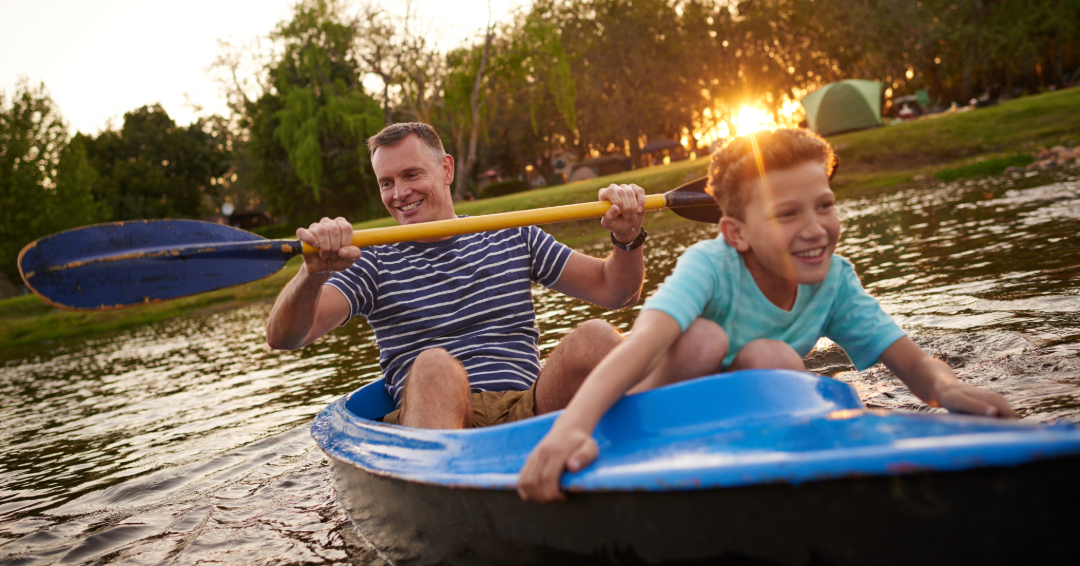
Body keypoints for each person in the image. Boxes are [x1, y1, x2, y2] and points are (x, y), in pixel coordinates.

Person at [517, 128, 1018, 503]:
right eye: (787, 214)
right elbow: (642, 345)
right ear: (735, 233)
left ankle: (777, 481)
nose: (815, 228)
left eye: (824, 206)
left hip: (743, 422)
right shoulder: (709, 266)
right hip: (654, 416)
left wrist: (948, 390)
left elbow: (911, 362)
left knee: (773, 357)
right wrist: (572, 428)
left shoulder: (834, 281)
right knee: (705, 340)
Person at [265, 122, 649, 429]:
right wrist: (312, 275)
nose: (399, 193)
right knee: (434, 364)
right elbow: (284, 338)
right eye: (386, 182)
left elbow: (616, 291)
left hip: (528, 408)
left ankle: (665, 442)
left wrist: (627, 237)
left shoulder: (511, 233)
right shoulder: (370, 261)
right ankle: (447, 490)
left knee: (595, 336)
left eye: (411, 175)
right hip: (437, 420)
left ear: (446, 169)